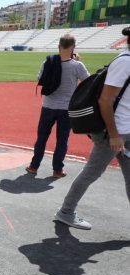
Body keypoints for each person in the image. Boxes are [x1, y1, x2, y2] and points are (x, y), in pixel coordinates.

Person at [54, 27, 130, 230]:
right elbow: (105, 99)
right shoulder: (125, 62)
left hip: (126, 129)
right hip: (113, 132)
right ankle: (66, 211)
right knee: (92, 172)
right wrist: (114, 134)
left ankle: (66, 211)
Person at [27, 34, 89, 178]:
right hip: (66, 108)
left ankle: (33, 166)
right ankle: (57, 170)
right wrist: (78, 61)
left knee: (41, 138)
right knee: (62, 140)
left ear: (59, 46)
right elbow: (88, 82)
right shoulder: (77, 65)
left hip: (48, 106)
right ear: (73, 47)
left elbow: (39, 79)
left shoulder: (48, 62)